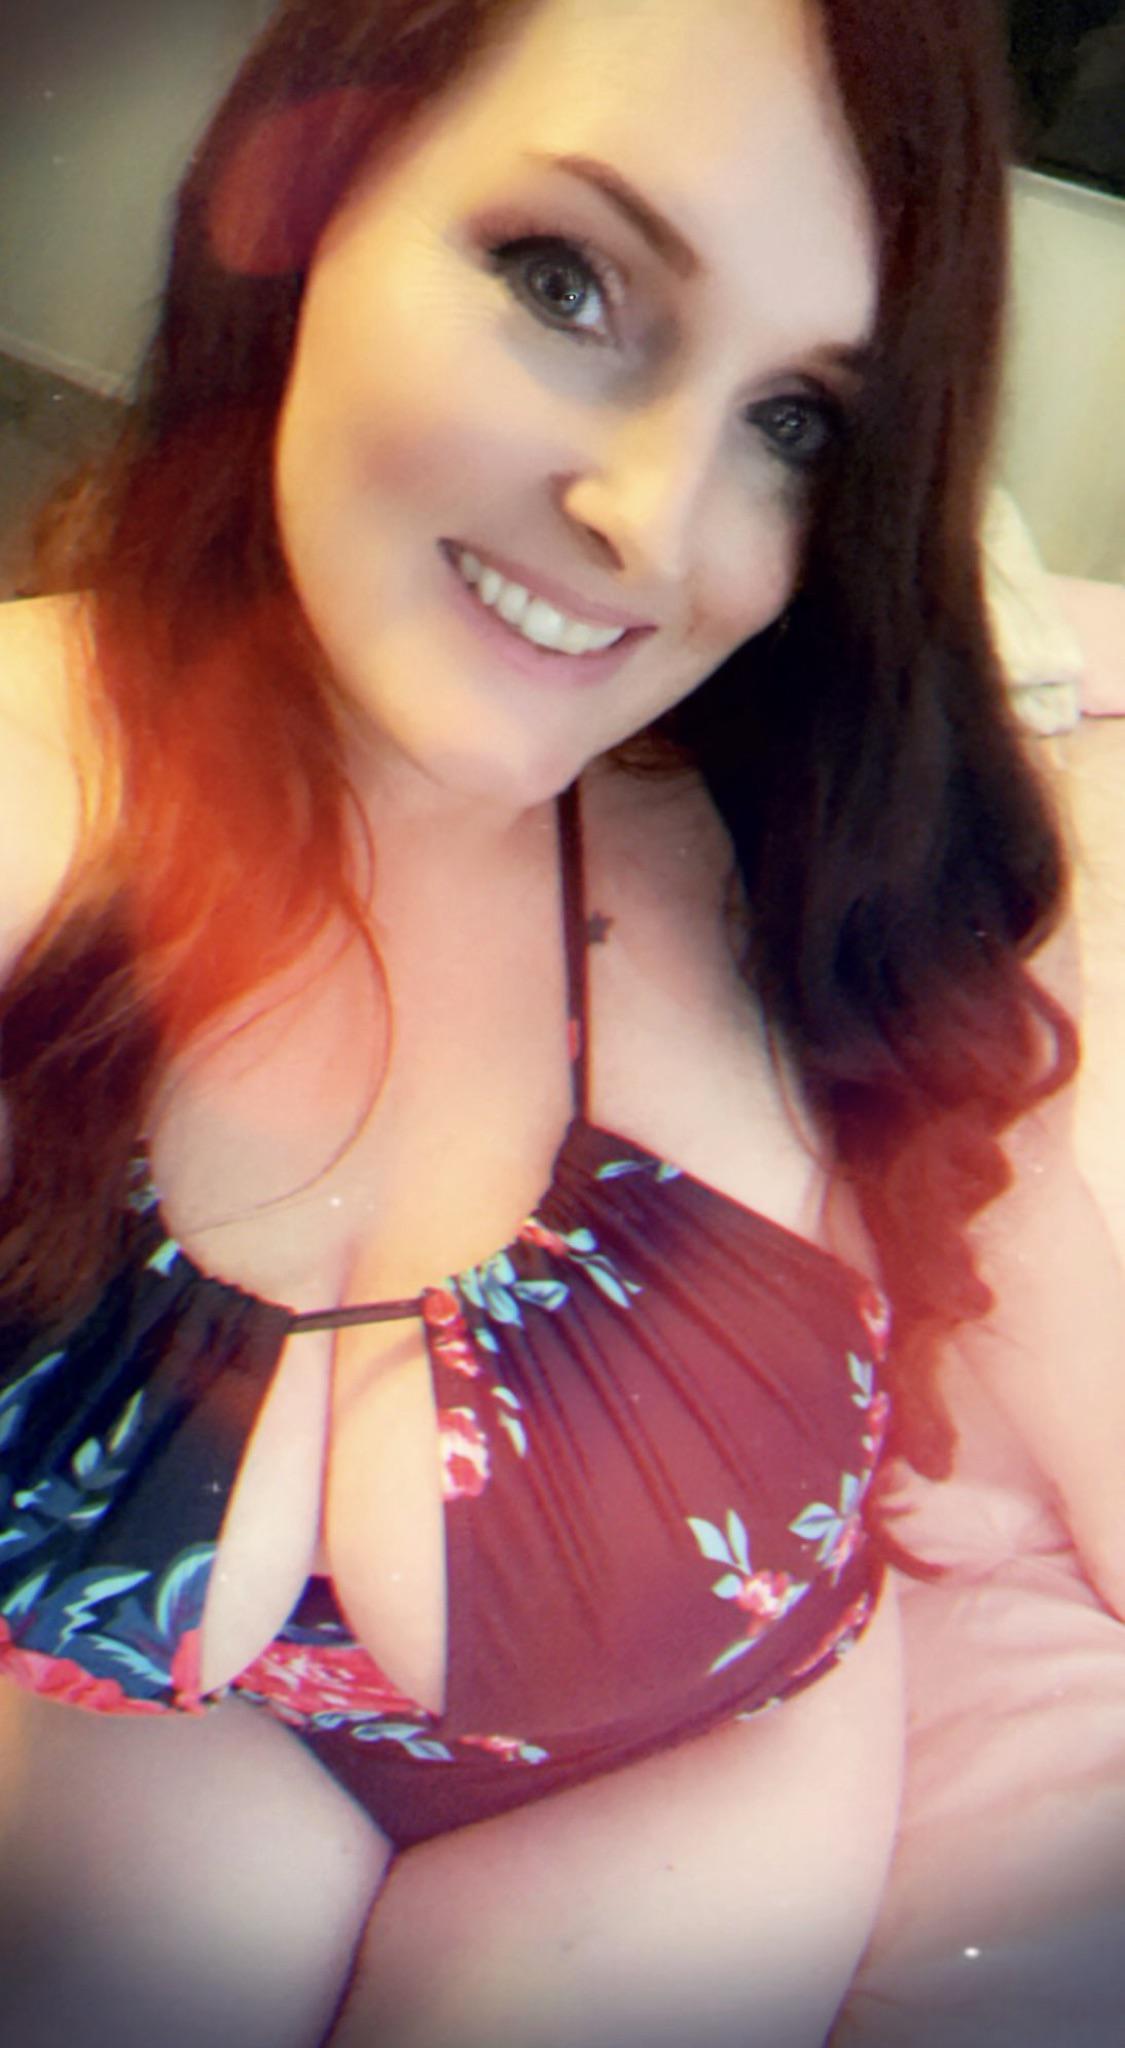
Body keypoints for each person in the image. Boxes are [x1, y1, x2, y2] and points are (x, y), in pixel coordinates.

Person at [1, 1, 1123, 2043]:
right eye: (562, 280)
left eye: (795, 424)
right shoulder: (26, 795)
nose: (652, 520)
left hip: (689, 1772)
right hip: (182, 1733)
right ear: (312, 186)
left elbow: (1029, 1232)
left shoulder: (816, 855)